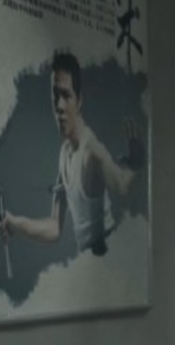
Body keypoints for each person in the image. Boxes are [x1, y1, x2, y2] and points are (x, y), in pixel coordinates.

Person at [0, 50, 143, 256]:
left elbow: (122, 187)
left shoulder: (91, 151)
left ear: (79, 100)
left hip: (103, 257)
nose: (59, 106)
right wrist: (15, 223)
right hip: (87, 262)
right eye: (55, 95)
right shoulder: (65, 152)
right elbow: (54, 228)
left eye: (66, 96)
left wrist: (136, 161)